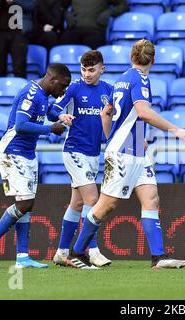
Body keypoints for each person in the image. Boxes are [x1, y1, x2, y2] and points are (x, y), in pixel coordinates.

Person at [67, 39, 185, 270]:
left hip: (134, 149)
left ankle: (159, 257)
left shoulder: (122, 79)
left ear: (131, 57)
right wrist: (175, 129)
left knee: (151, 199)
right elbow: (144, 112)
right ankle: (76, 252)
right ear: (153, 60)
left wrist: (125, 137)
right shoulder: (140, 78)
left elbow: (106, 114)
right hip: (125, 152)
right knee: (106, 205)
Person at [0, 63, 71, 269]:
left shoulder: (42, 94)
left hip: (27, 153)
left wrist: (60, 117)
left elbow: (46, 112)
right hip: (13, 151)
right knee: (25, 204)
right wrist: (50, 128)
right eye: (63, 85)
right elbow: (20, 125)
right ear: (52, 80)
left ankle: (22, 257)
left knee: (26, 205)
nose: (63, 90)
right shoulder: (31, 93)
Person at [50, 50, 113, 268]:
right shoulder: (75, 87)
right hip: (74, 150)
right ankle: (91, 251)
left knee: (76, 203)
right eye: (84, 69)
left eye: (92, 70)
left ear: (102, 69)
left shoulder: (109, 91)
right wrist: (60, 115)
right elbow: (53, 108)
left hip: (93, 153)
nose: (87, 74)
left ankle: (61, 252)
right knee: (92, 200)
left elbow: (121, 117)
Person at [0, 0, 36, 78]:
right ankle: (0, 89)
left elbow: (31, 6)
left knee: (19, 69)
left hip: (19, 33)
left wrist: (14, 1)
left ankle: (20, 89)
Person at [59, 0, 129, 49]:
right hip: (74, 29)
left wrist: (109, 13)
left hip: (95, 31)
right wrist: (67, 15)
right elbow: (61, 6)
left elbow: (123, 6)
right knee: (62, 48)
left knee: (92, 54)